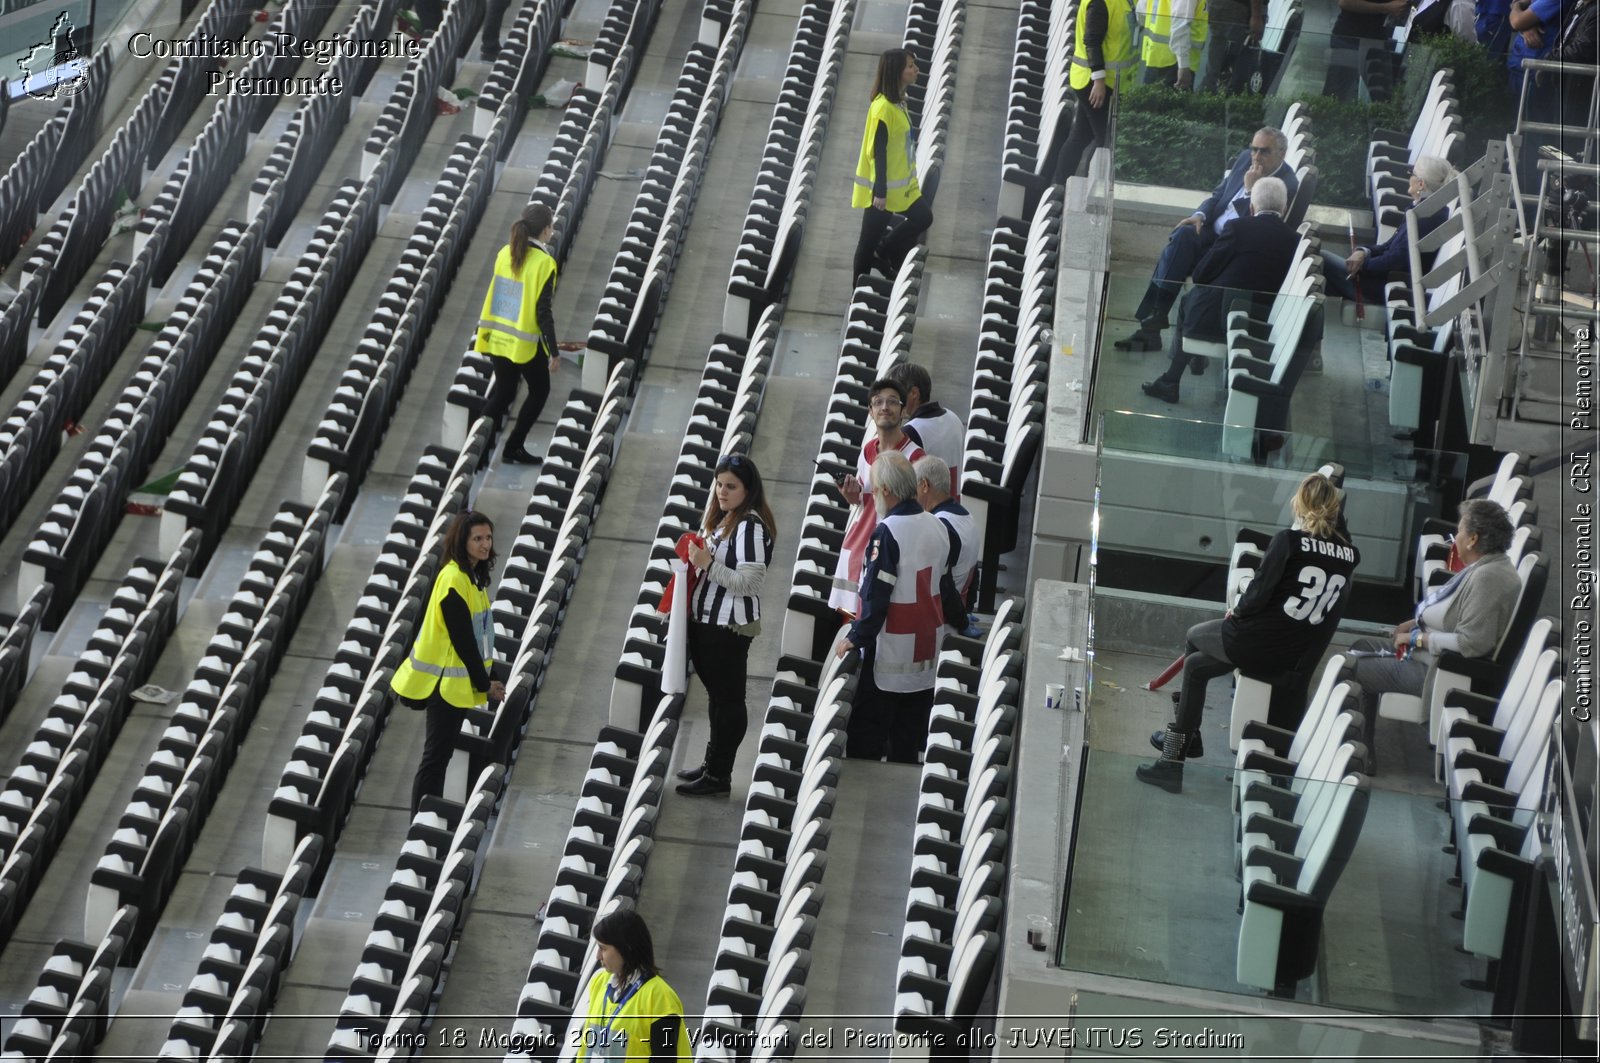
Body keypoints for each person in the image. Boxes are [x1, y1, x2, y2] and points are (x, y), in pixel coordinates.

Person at [1136, 473, 1359, 793]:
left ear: (1302, 503)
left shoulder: (1288, 541)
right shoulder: (1350, 555)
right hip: (1293, 652)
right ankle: (1175, 758)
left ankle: (1183, 748)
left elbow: (1257, 593)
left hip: (1258, 642)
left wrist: (1236, 611)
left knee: (1194, 635)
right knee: (1197, 666)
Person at [1346, 499, 1521, 758]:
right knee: (1359, 648)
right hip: (1426, 654)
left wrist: (1418, 639)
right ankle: (1363, 743)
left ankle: (1359, 754)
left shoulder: (1488, 578)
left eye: (1459, 531)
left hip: (1436, 671)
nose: (1455, 539)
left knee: (1351, 670)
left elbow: (1471, 643)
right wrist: (1415, 624)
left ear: (1473, 539)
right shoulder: (1486, 566)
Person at [1114, 128, 1298, 352]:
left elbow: (1257, 230)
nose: (1256, 157)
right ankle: (1154, 321)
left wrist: (1251, 190)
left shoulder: (1286, 183)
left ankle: (1152, 330)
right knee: (1182, 236)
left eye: (1264, 152)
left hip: (1233, 250)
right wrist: (1199, 215)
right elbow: (1218, 195)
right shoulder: (1243, 159)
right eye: (1254, 149)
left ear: (1282, 153)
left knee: (1176, 256)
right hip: (1211, 232)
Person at [1140, 176, 1298, 404]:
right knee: (1196, 301)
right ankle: (1188, 364)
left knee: (1190, 300)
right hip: (1264, 322)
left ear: (1252, 206)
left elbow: (1202, 274)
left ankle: (1171, 380)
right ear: (1283, 208)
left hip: (1224, 318)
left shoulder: (1237, 227)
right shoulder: (1293, 240)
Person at [674, 455, 776, 797]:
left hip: (728, 627)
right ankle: (712, 766)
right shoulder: (727, 520)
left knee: (729, 701)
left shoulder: (750, 526)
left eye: (731, 486)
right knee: (718, 699)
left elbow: (750, 583)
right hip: (708, 622)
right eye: (719, 484)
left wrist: (707, 563)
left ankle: (719, 775)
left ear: (748, 490)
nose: (722, 491)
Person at [391, 511, 505, 814]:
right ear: (462, 541)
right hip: (443, 685)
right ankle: (420, 826)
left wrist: (489, 675)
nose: (484, 544)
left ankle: (427, 821)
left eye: (488, 538)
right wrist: (485, 683)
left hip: (455, 685)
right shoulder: (454, 579)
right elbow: (463, 640)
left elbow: (480, 637)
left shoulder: (472, 578)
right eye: (477, 538)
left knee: (440, 758)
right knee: (435, 759)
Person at [838, 452, 948, 762]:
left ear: (886, 491)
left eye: (873, 489)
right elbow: (946, 584)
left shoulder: (887, 533)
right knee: (907, 739)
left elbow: (876, 595)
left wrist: (856, 637)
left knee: (866, 735)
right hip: (927, 648)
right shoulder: (937, 524)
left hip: (891, 652)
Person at [828, 379, 925, 616]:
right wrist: (851, 495)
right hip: (859, 541)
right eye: (878, 402)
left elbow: (919, 510)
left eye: (893, 402)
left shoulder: (915, 456)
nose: (885, 407)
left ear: (903, 411)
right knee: (849, 614)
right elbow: (860, 499)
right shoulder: (868, 449)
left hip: (890, 546)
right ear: (870, 412)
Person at [478, 203, 561, 466]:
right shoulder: (545, 263)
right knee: (540, 390)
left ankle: (475, 447)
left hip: (498, 336)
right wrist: (554, 351)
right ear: (546, 230)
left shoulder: (505, 252)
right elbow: (542, 312)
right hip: (524, 341)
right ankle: (513, 447)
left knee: (503, 393)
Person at [1322, 156, 1456, 304]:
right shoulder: (1425, 211)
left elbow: (1397, 260)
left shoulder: (1427, 217)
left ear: (1421, 184)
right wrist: (1363, 252)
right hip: (1379, 278)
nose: (1409, 176)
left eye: (1412, 173)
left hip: (1382, 286)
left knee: (1320, 260)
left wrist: (1363, 266)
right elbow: (1389, 246)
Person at [852, 49, 934, 281]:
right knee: (866, 244)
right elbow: (878, 152)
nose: (916, 69)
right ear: (897, 72)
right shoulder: (883, 108)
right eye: (910, 66)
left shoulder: (898, 102)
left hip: (901, 188)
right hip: (883, 192)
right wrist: (880, 191)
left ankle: (885, 250)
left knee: (924, 217)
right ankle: (857, 294)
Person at [574, 910, 690, 1061]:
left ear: (626, 948)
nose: (598, 956)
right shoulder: (600, 981)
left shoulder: (660, 998)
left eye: (603, 948)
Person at [1049, 0, 1138, 184]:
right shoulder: (1100, 3)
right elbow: (1091, 40)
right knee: (1104, 142)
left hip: (1106, 82)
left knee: (1081, 136)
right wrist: (1098, 79)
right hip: (1095, 83)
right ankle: (1090, 189)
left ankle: (1059, 184)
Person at [915, 455, 980, 630]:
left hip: (942, 623)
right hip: (956, 613)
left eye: (914, 488)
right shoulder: (967, 516)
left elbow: (942, 585)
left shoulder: (939, 526)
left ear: (924, 485)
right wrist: (966, 610)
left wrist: (962, 622)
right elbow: (974, 572)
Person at [889, 362, 964, 498]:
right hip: (953, 506)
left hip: (929, 512)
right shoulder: (953, 417)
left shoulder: (911, 432)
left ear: (914, 393)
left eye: (896, 395)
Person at [1323, 0, 1408, 101]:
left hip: (1376, 38)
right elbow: (1345, 2)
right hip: (1349, 39)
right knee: (1335, 96)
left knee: (1382, 97)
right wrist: (1387, 7)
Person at [1141, 0, 1208, 89]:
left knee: (1148, 100)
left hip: (1157, 56)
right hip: (1175, 63)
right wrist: (1183, 65)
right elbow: (1180, 24)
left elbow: (1141, 10)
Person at [1201, 0, 1264, 93]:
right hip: (1235, 8)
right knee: (1234, 69)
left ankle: (1207, 96)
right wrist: (1256, 16)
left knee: (1216, 63)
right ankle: (1216, 97)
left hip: (1217, 6)